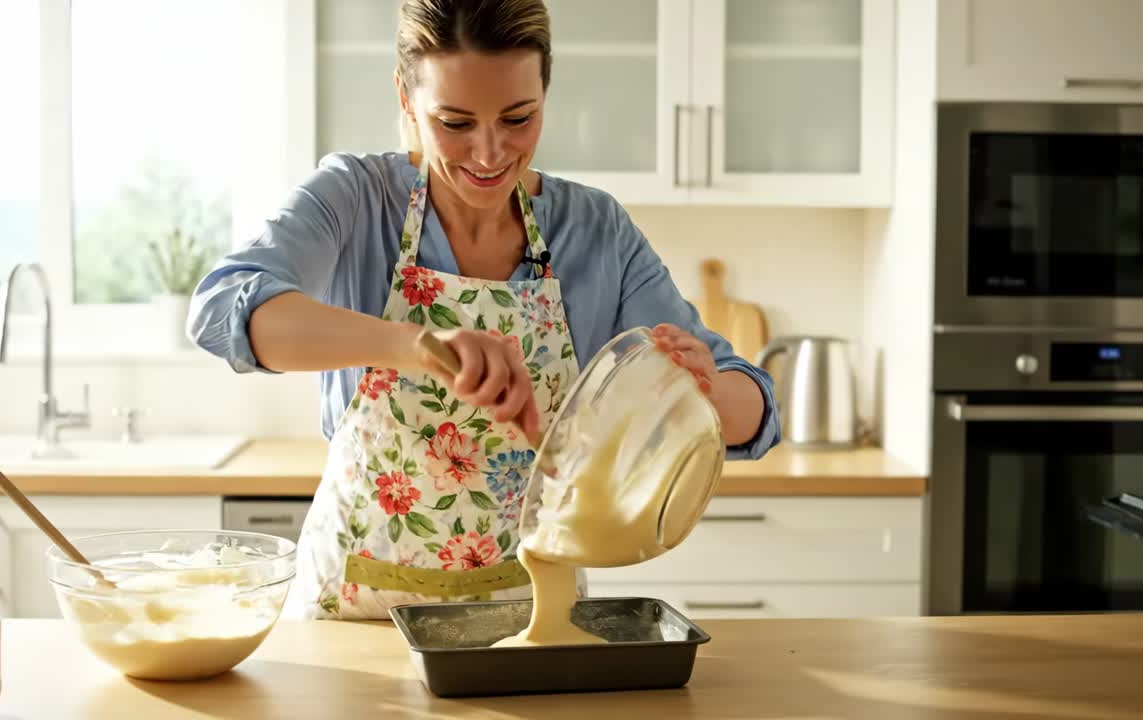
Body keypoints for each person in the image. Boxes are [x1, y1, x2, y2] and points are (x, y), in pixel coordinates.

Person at [187, 0, 780, 621]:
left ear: (545, 92)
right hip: (357, 617)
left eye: (518, 118)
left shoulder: (595, 229)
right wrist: (415, 345)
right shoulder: (356, 200)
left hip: (536, 617)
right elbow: (223, 308)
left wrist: (702, 393)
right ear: (406, 98)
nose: (491, 152)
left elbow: (755, 403)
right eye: (455, 122)